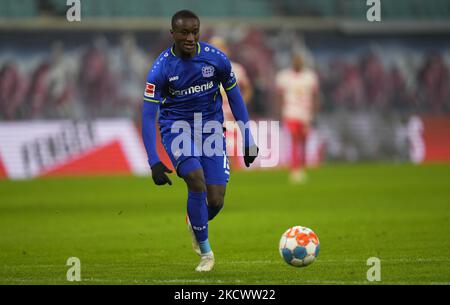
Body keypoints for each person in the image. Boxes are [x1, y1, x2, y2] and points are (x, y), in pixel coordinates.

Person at [141, 10, 258, 272]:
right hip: (177, 129)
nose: (190, 37)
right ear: (173, 34)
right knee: (195, 179)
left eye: (194, 31)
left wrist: (248, 136)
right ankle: (206, 254)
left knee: (215, 200)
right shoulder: (160, 70)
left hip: (212, 131)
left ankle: (194, 221)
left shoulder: (216, 60)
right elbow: (148, 117)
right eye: (184, 32)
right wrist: (154, 161)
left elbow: (236, 98)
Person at [209, 36, 253, 169]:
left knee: (231, 148)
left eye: (219, 47)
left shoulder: (237, 69)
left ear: (225, 49)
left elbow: (247, 88)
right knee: (212, 150)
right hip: (211, 116)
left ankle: (234, 175)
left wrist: (241, 105)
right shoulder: (203, 70)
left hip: (230, 116)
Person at [276, 53, 319, 184]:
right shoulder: (284, 76)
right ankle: (295, 169)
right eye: (295, 60)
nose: (297, 63)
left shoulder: (310, 77)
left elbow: (315, 96)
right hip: (291, 112)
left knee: (304, 140)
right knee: (294, 138)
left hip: (305, 113)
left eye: (299, 60)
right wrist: (281, 110)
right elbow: (279, 96)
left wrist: (313, 112)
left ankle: (302, 166)